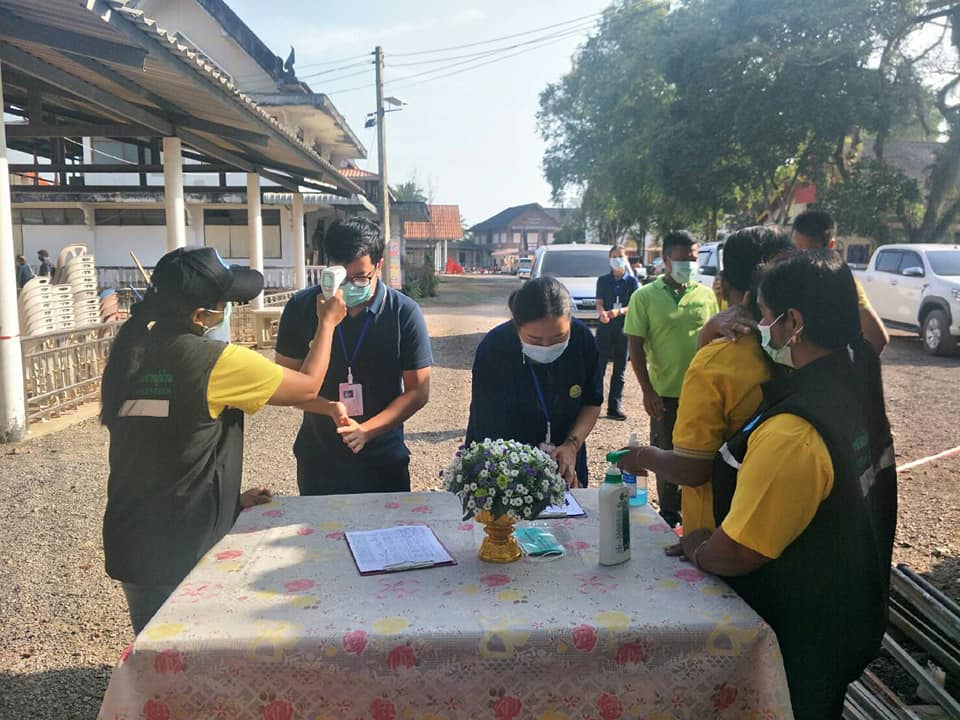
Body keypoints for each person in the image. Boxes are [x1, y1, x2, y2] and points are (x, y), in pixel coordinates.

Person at [679, 250, 896, 719]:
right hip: (851, 609)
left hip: (801, 635)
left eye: (763, 316)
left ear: (792, 322)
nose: (758, 327)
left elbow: (739, 551)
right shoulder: (858, 373)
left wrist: (699, 546)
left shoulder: (793, 433)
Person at [101, 247, 347, 634]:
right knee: (186, 663)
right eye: (225, 303)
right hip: (182, 545)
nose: (229, 309)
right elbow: (308, 385)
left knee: (157, 655)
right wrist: (328, 323)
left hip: (135, 536)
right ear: (200, 316)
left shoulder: (131, 353)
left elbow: (167, 449)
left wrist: (226, 502)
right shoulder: (216, 361)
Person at [620, 227, 794, 539]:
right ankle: (669, 514)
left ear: (724, 285)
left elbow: (692, 469)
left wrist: (638, 456)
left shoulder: (717, 362)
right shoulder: (806, 346)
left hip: (718, 538)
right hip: (782, 529)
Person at [276, 218, 433, 496]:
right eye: (340, 277)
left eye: (360, 277)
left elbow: (418, 391)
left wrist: (367, 431)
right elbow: (285, 385)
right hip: (319, 456)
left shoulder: (403, 312)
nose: (349, 286)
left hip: (384, 456)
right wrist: (329, 408)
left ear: (379, 266)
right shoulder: (301, 308)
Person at [466, 277, 603, 488]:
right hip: (505, 461)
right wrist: (523, 472)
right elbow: (486, 424)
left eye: (559, 337)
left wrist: (572, 445)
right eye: (535, 340)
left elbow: (592, 401)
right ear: (517, 326)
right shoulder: (495, 348)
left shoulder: (583, 341)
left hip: (565, 458)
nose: (547, 345)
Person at [623, 230, 718, 527]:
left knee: (701, 453)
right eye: (682, 259)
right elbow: (635, 348)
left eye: (692, 259)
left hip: (704, 393)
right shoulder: (644, 297)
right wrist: (647, 391)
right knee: (666, 454)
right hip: (665, 393)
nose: (689, 264)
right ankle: (668, 517)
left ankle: (697, 515)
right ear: (665, 261)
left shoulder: (706, 295)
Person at [701, 210, 889, 354]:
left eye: (807, 254)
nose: (797, 260)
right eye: (795, 251)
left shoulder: (837, 281)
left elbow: (876, 338)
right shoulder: (725, 286)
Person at [595, 245, 640, 421]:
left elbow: (634, 305)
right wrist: (602, 312)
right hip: (605, 327)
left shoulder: (632, 282)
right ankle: (592, 405)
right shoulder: (603, 280)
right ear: (609, 259)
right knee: (599, 367)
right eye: (613, 256)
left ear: (626, 258)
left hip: (624, 327)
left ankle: (614, 407)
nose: (617, 259)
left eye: (620, 256)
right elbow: (599, 302)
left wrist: (618, 312)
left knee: (620, 368)